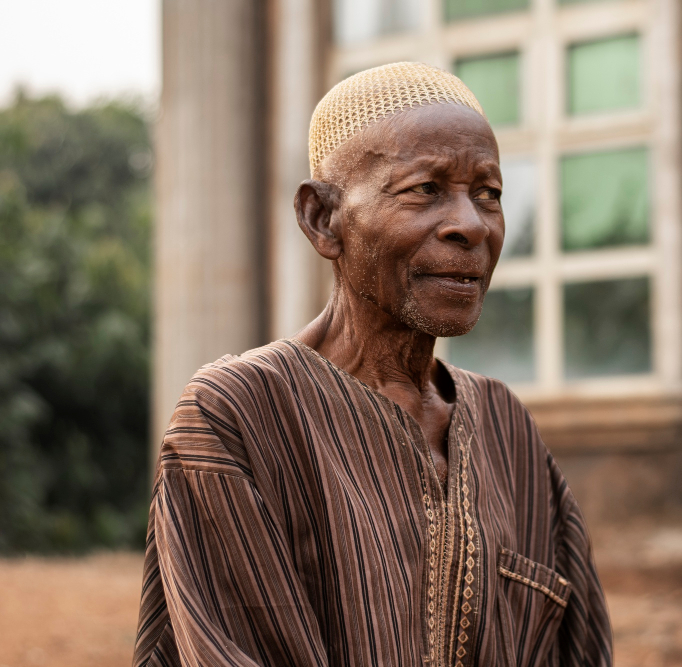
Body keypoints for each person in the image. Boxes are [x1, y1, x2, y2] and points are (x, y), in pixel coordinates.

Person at [133, 62, 612, 667]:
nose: (470, 225)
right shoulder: (239, 415)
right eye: (424, 190)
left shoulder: (509, 431)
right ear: (322, 220)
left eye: (488, 195)